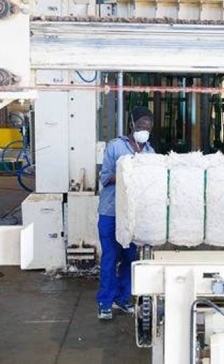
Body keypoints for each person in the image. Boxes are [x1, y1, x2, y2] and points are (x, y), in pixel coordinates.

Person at [96, 106, 155, 320]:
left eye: (147, 128)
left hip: (134, 216)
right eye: (140, 126)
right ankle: (105, 302)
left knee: (131, 258)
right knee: (111, 257)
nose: (144, 131)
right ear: (132, 125)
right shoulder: (115, 147)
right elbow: (104, 178)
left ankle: (122, 299)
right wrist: (126, 175)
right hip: (111, 213)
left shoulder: (150, 152)